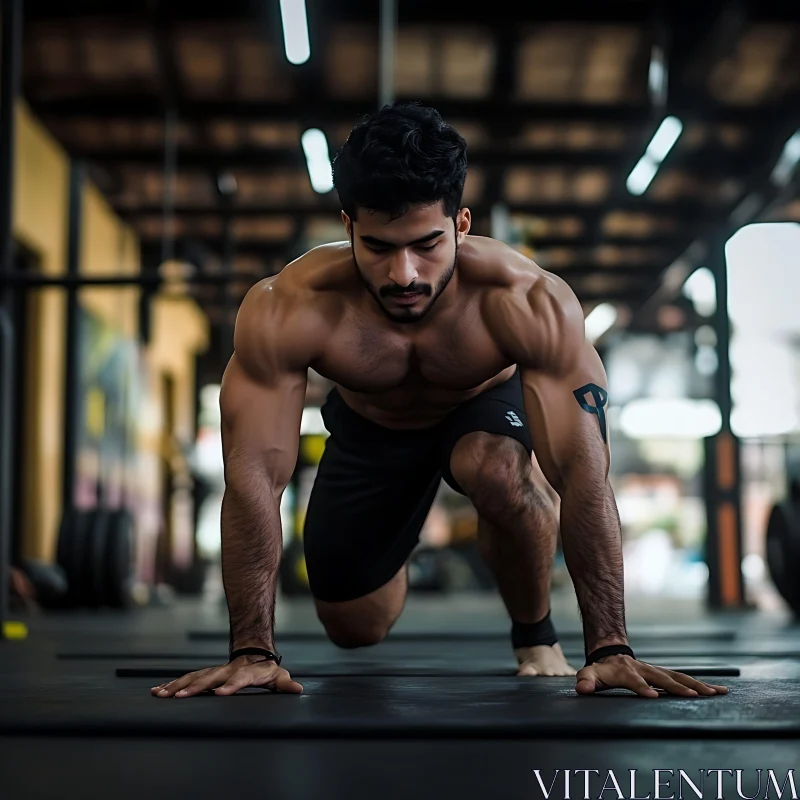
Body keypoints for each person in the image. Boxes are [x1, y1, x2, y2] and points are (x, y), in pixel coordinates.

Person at [152, 104, 728, 700]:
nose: (404, 274)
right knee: (355, 628)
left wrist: (610, 645)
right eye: (378, 247)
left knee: (495, 467)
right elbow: (252, 479)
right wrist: (251, 649)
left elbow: (584, 472)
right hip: (372, 430)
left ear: (461, 224)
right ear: (347, 226)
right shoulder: (288, 307)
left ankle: (534, 634)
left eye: (426, 244)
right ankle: (397, 536)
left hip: (482, 408)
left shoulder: (526, 299)